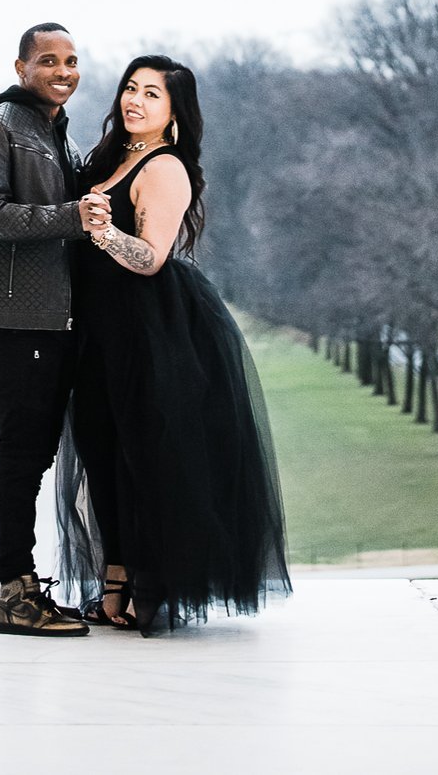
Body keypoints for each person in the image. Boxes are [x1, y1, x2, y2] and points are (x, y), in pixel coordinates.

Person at [56, 56, 290, 633]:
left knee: (145, 459)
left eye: (151, 94)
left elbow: (151, 257)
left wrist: (104, 232)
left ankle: (147, 584)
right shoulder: (112, 159)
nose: (134, 100)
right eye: (130, 89)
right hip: (98, 331)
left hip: (148, 331)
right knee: (100, 453)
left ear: (174, 112)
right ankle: (113, 577)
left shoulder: (166, 168)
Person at [0, 22, 112, 637]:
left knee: (31, 450)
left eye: (72, 60)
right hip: (11, 315)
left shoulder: (51, 129)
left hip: (45, 314)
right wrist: (71, 216)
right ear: (21, 66)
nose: (63, 71)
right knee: (24, 452)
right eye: (49, 60)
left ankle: (6, 589)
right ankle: (18, 588)